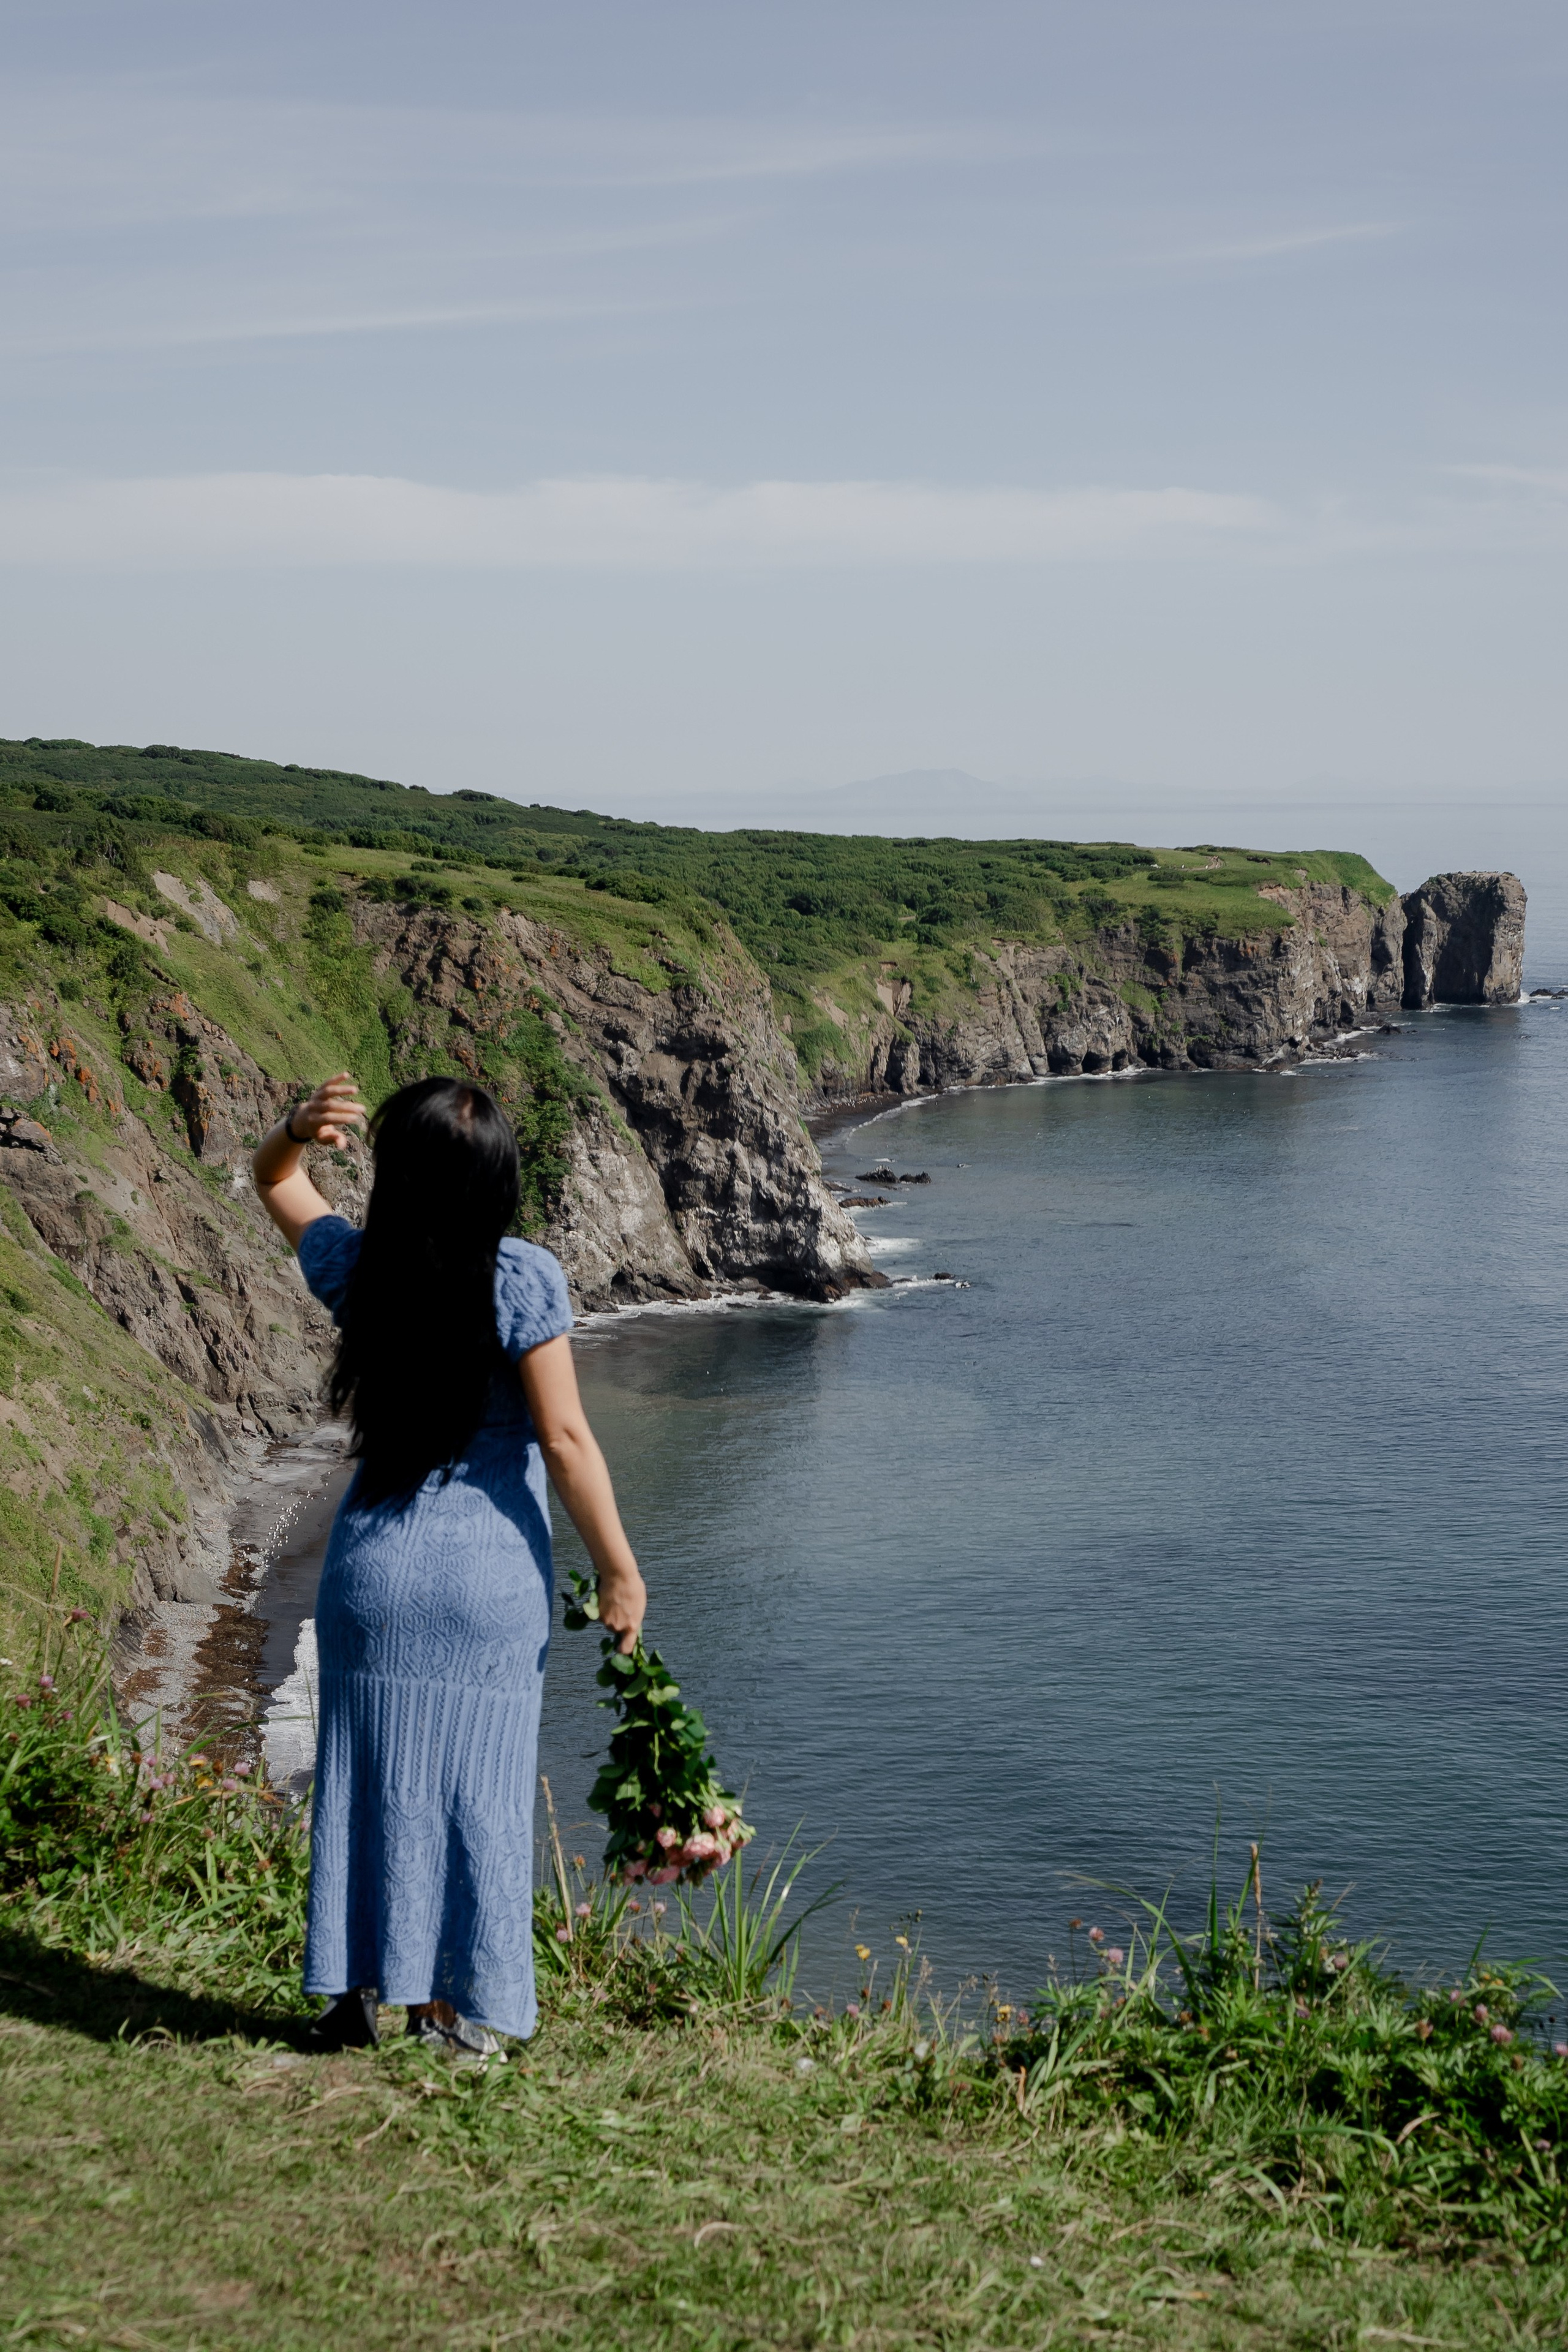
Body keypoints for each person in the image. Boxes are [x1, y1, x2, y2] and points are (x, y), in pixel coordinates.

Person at [252, 1071, 646, 2057]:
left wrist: (295, 1132)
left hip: (372, 1571)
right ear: (498, 1182)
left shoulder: (359, 1265)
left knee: (365, 1784)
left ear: (397, 1176)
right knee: (478, 1794)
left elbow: (274, 1183)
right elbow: (563, 1440)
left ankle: (351, 2001)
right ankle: (450, 2013)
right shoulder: (523, 1277)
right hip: (485, 1583)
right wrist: (620, 1571)